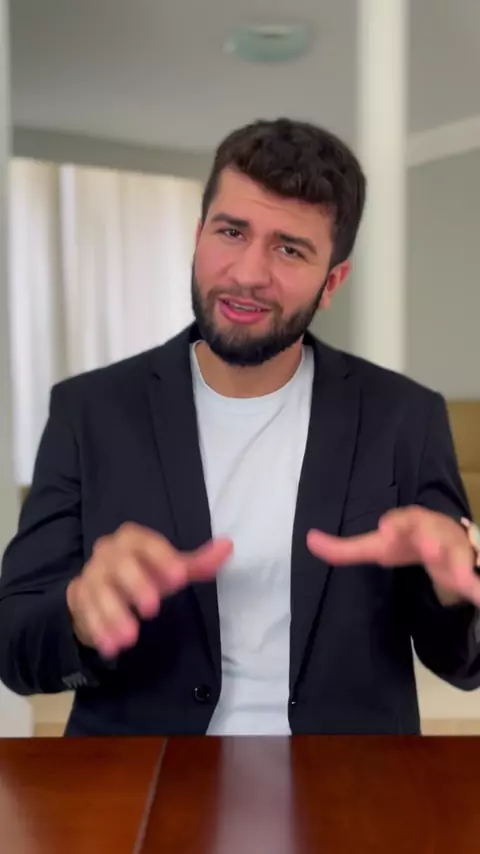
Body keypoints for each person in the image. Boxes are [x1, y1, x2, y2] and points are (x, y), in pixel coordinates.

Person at [1, 118, 480, 738]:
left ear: (332, 282)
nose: (248, 273)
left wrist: (454, 591)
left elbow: (464, 663)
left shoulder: (405, 417)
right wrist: (78, 614)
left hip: (345, 779)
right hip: (148, 773)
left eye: (290, 249)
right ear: (198, 235)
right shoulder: (88, 411)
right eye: (231, 232)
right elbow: (14, 648)